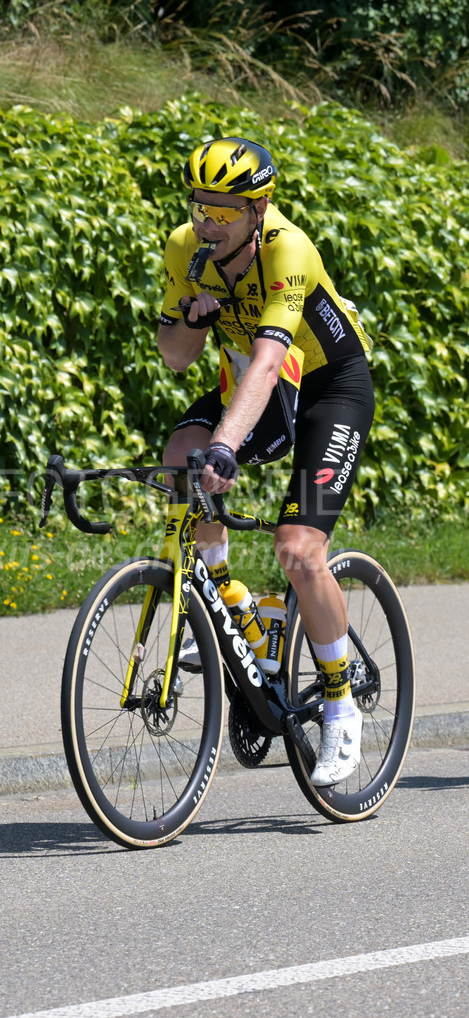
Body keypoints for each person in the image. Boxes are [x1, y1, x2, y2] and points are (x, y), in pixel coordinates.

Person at [157, 137, 374, 786]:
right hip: (252, 379)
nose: (208, 224)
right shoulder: (184, 250)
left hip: (329, 387)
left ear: (259, 210)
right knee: (179, 456)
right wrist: (194, 322)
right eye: (201, 207)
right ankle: (230, 599)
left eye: (225, 212)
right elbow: (175, 355)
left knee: (300, 549)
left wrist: (227, 442)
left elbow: (276, 358)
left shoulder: (288, 248)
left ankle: (340, 704)